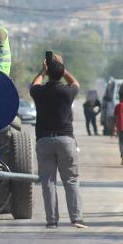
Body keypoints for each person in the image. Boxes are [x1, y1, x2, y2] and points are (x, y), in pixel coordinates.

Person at [30, 53, 87, 229]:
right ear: (61, 73)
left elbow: (34, 84)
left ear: (48, 72)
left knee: (48, 182)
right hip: (65, 140)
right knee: (70, 180)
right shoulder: (67, 92)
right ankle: (76, 219)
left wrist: (42, 70)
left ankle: (52, 221)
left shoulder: (39, 92)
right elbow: (76, 83)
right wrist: (62, 67)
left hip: (44, 140)